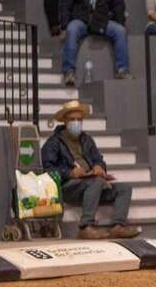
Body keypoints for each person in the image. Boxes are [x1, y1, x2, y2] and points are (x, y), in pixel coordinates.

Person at [41, 100, 141, 239]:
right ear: (64, 120)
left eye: (79, 119)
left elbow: (98, 159)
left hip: (91, 185)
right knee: (96, 182)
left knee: (124, 188)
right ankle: (85, 227)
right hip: (68, 188)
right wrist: (69, 173)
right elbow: (48, 169)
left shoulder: (87, 140)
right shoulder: (53, 143)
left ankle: (118, 226)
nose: (76, 123)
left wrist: (99, 166)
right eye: (72, 119)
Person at [59, 0, 133, 87]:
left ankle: (122, 70)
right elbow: (64, 3)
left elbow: (118, 4)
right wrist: (64, 26)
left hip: (102, 19)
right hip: (81, 19)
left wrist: (120, 22)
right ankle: (68, 72)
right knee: (72, 29)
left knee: (120, 31)